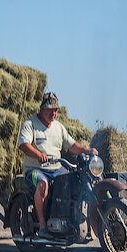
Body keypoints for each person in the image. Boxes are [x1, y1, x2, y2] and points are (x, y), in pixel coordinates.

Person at [17, 92, 98, 238]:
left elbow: (72, 146)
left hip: (56, 168)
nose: (54, 113)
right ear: (42, 109)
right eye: (51, 110)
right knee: (42, 184)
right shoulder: (30, 124)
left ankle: (69, 220)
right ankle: (43, 226)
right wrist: (38, 155)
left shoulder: (59, 127)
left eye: (56, 110)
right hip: (35, 169)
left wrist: (88, 150)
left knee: (75, 181)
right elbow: (24, 145)